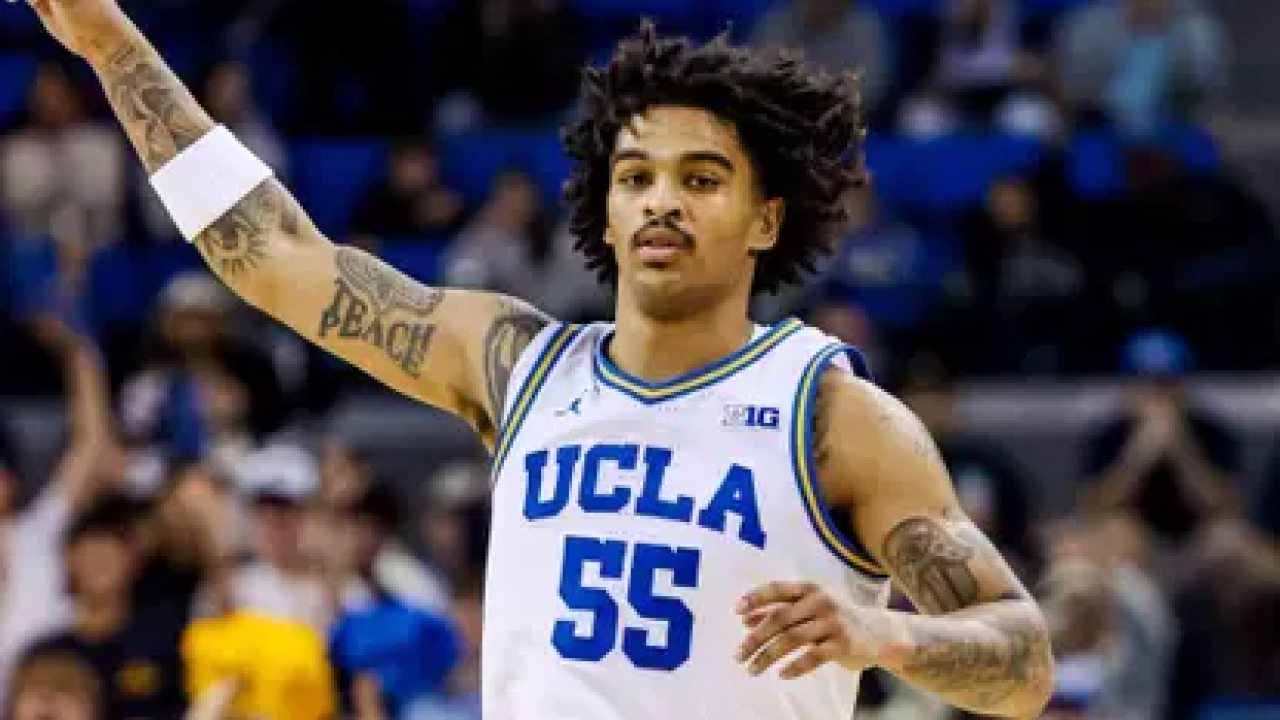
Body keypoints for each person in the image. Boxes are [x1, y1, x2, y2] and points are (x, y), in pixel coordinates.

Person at [26, 3, 1054, 719]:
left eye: (701, 179)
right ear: (603, 211)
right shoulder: (517, 363)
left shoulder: (829, 413)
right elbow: (278, 258)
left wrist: (884, 641)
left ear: (764, 218)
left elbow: (1023, 662)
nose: (659, 199)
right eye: (636, 174)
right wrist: (113, 44)